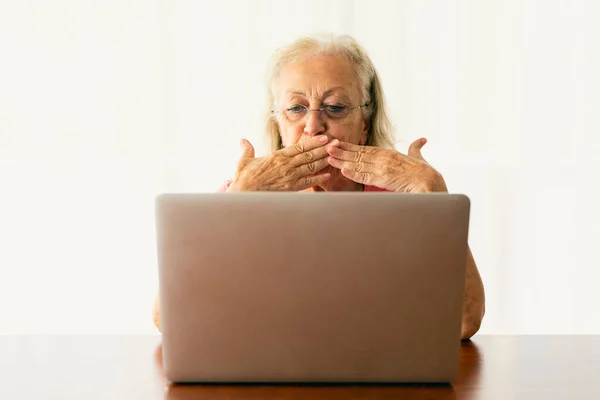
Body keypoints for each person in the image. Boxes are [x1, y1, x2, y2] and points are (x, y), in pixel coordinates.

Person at [154, 33, 485, 339]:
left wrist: (435, 195)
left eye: (336, 107)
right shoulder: (243, 193)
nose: (313, 125)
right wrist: (238, 203)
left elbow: (464, 322)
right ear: (279, 123)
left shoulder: (409, 201)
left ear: (365, 123)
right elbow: (165, 318)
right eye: (296, 108)